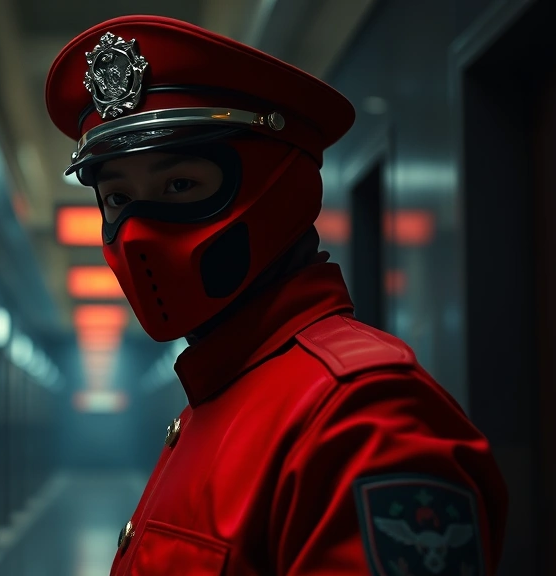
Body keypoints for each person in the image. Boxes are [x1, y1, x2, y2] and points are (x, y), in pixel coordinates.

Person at [46, 15, 507, 576]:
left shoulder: (365, 421)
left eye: (180, 185)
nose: (140, 233)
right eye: (117, 199)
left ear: (279, 192)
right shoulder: (221, 393)